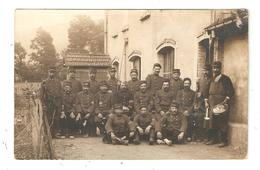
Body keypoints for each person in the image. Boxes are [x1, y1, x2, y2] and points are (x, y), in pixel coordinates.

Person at [204, 61, 234, 147]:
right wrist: (206, 101)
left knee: (222, 121)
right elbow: (206, 92)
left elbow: (231, 91)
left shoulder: (225, 79)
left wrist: (226, 100)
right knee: (212, 121)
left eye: (217, 68)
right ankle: (212, 139)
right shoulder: (211, 79)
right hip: (211, 102)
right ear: (212, 69)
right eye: (214, 68)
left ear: (220, 69)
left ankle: (223, 141)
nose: (215, 70)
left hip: (221, 102)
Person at [39, 66, 63, 138]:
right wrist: (43, 105)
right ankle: (48, 134)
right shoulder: (44, 82)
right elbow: (41, 95)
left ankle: (55, 133)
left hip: (57, 102)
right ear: (48, 73)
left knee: (56, 119)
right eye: (50, 72)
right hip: (48, 103)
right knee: (48, 119)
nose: (51, 74)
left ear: (55, 73)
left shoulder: (58, 82)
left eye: (53, 72)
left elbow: (61, 93)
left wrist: (60, 104)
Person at [176, 77, 195, 142]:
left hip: (189, 111)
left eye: (188, 83)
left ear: (190, 84)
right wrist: (182, 111)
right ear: (183, 84)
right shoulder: (179, 92)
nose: (187, 85)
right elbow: (178, 103)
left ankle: (189, 135)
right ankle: (181, 134)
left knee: (191, 119)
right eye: (185, 83)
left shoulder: (193, 93)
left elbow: (193, 103)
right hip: (181, 110)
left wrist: (188, 111)